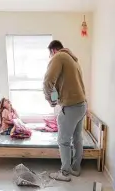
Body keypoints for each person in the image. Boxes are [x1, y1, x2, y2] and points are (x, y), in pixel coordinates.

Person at [43, 40, 87, 182]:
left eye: (50, 54)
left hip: (71, 106)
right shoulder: (73, 60)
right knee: (77, 138)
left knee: (63, 141)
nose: (50, 57)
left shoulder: (59, 57)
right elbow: (58, 84)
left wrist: (50, 101)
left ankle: (65, 173)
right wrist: (55, 97)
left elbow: (47, 81)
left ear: (53, 51)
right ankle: (75, 168)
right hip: (81, 105)